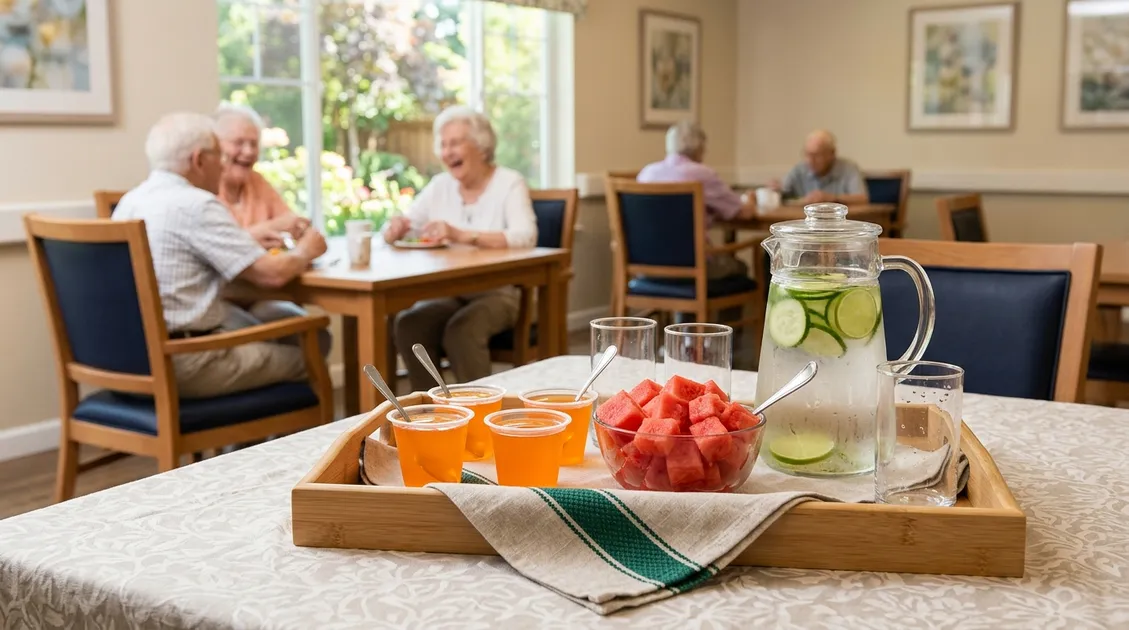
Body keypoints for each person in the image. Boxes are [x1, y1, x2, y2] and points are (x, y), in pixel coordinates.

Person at [113, 112, 328, 398]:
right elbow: (272, 275)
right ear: (199, 160)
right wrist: (305, 251)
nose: (224, 165)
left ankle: (249, 442)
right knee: (309, 357)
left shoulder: (129, 202)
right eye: (220, 157)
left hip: (127, 362)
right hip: (187, 362)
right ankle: (272, 443)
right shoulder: (197, 205)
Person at [383, 105, 537, 390]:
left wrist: (464, 235)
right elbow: (408, 222)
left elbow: (525, 236)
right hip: (449, 291)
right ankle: (429, 413)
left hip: (502, 292)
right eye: (442, 145)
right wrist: (393, 229)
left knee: (461, 331)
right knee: (408, 324)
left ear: (481, 146)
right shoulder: (440, 185)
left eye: (455, 143)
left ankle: (479, 415)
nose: (446, 152)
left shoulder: (509, 183)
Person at [212, 102, 331, 356]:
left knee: (313, 335)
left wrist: (295, 232)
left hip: (261, 295)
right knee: (304, 336)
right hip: (223, 300)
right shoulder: (205, 192)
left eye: (254, 143)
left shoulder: (257, 182)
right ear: (215, 145)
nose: (248, 151)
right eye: (239, 142)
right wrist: (266, 231)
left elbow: (292, 224)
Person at [636, 121, 753, 279]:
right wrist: (751, 199)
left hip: (645, 267)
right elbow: (743, 213)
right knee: (739, 268)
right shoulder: (702, 175)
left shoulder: (646, 174)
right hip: (693, 269)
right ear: (699, 148)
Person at [770, 130, 868, 205]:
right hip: (805, 226)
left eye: (817, 155)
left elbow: (862, 199)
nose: (810, 160)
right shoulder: (799, 169)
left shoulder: (849, 168)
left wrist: (832, 198)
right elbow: (783, 194)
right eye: (807, 154)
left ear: (832, 153)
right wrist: (776, 191)